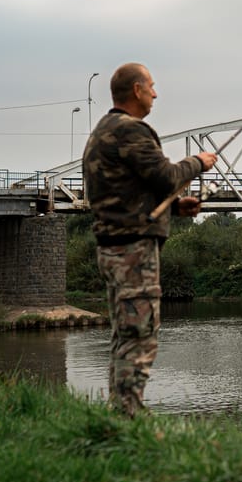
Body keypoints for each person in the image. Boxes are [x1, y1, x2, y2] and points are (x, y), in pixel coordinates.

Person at [82, 63, 217, 416]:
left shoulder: (102, 132)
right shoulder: (131, 131)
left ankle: (118, 415)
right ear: (138, 90)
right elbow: (166, 176)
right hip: (133, 252)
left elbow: (121, 196)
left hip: (113, 247)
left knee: (123, 335)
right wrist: (198, 162)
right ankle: (130, 417)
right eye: (152, 87)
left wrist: (174, 209)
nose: (156, 94)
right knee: (140, 336)